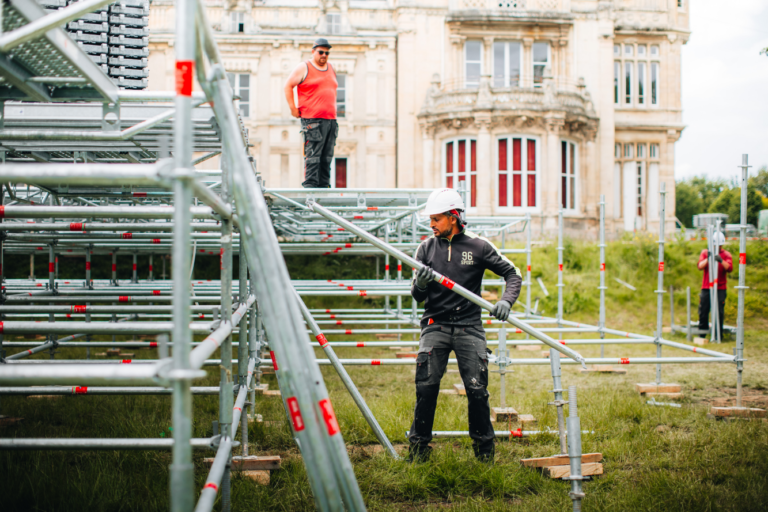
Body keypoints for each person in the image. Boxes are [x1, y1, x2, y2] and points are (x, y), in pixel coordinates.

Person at [407, 188, 523, 463]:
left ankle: (484, 454)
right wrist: (420, 283)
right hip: (435, 325)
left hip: (469, 326)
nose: (431, 224)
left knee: (477, 390)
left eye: (437, 218)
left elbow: (513, 273)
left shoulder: (478, 246)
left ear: (454, 216)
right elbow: (417, 296)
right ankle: (418, 451)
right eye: (431, 219)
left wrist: (507, 301)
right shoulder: (425, 248)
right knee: (426, 386)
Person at [283, 38, 338, 189]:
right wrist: (293, 108)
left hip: (331, 121)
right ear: (313, 51)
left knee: (326, 158)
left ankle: (323, 189)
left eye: (327, 53)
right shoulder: (304, 67)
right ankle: (311, 192)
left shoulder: (331, 68)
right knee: (313, 157)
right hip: (313, 121)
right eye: (321, 52)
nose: (324, 55)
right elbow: (288, 85)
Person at [697, 231, 733, 339]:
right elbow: (700, 266)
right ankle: (702, 334)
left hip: (720, 288)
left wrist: (721, 260)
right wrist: (708, 258)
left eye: (719, 245)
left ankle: (718, 335)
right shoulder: (705, 252)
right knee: (703, 311)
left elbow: (729, 268)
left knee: (719, 312)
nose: (717, 246)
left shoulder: (726, 255)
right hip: (707, 287)